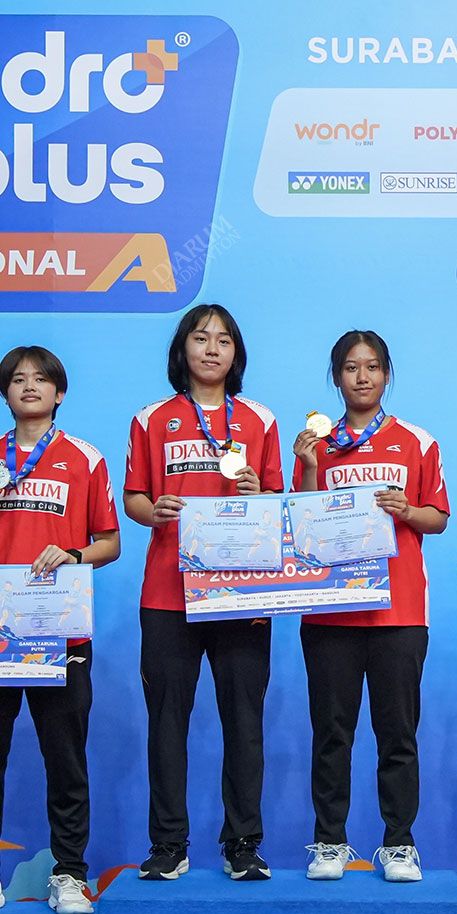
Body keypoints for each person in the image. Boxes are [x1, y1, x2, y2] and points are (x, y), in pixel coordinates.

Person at [0, 347, 120, 914]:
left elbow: (110, 543)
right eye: (17, 380)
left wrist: (73, 555)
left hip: (59, 630)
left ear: (58, 392)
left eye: (41, 379)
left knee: (65, 758)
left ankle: (69, 873)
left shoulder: (85, 458)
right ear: (5, 393)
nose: (29, 387)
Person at [125, 304, 284, 880]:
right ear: (183, 349)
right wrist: (153, 510)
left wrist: (260, 495)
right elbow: (134, 497)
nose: (212, 349)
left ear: (236, 353)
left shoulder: (260, 419)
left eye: (223, 340)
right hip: (168, 593)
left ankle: (243, 843)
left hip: (242, 594)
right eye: (200, 338)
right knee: (167, 722)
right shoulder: (152, 418)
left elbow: (280, 503)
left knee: (244, 720)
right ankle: (168, 844)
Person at [292, 331, 449, 883]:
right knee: (331, 733)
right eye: (351, 368)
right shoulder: (318, 443)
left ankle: (398, 843)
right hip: (330, 611)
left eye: (373, 367)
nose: (363, 377)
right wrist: (308, 467)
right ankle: (329, 841)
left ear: (387, 375)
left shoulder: (416, 441)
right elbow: (300, 523)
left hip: (399, 615)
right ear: (336, 377)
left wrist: (406, 510)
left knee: (397, 735)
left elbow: (437, 518)